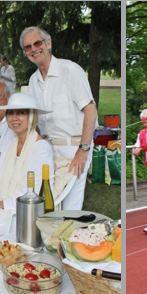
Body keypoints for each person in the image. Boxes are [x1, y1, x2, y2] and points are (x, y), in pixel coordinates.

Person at [0, 92, 59, 241]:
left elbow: (33, 195)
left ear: (32, 116)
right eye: (10, 113)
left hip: (24, 213)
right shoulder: (10, 143)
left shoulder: (40, 149)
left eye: (21, 113)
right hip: (5, 199)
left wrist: (0, 205)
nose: (14, 118)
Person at [22, 26, 98, 211]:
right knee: (47, 206)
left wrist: (83, 150)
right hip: (47, 151)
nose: (34, 49)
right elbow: (36, 121)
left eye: (37, 43)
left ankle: (70, 238)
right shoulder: (33, 80)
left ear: (48, 43)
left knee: (70, 208)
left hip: (74, 149)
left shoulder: (70, 70)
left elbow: (90, 109)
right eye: (28, 47)